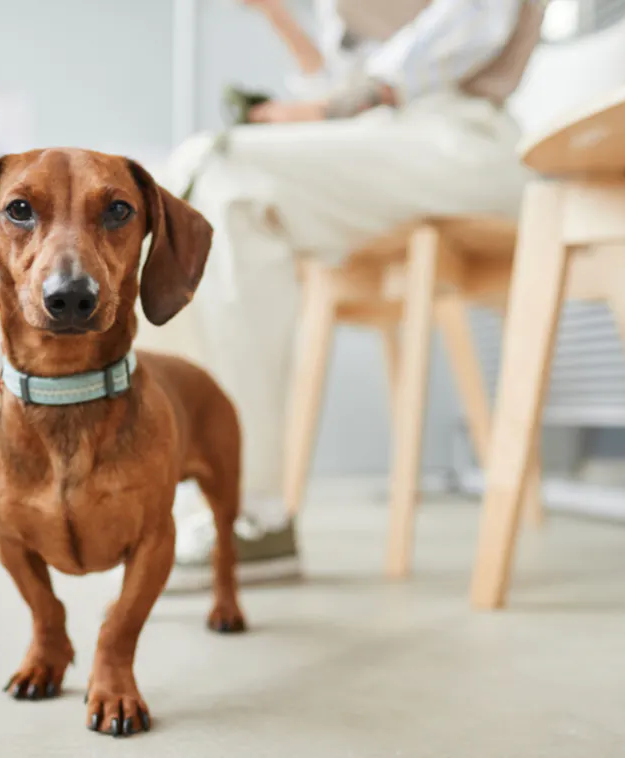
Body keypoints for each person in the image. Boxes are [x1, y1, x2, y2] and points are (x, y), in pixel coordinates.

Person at [149, 0, 547, 591]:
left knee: (223, 172)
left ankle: (245, 509)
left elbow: (468, 24)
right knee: (189, 186)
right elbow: (344, 83)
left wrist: (335, 107)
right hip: (385, 138)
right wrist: (279, 18)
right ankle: (200, 491)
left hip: (464, 141)